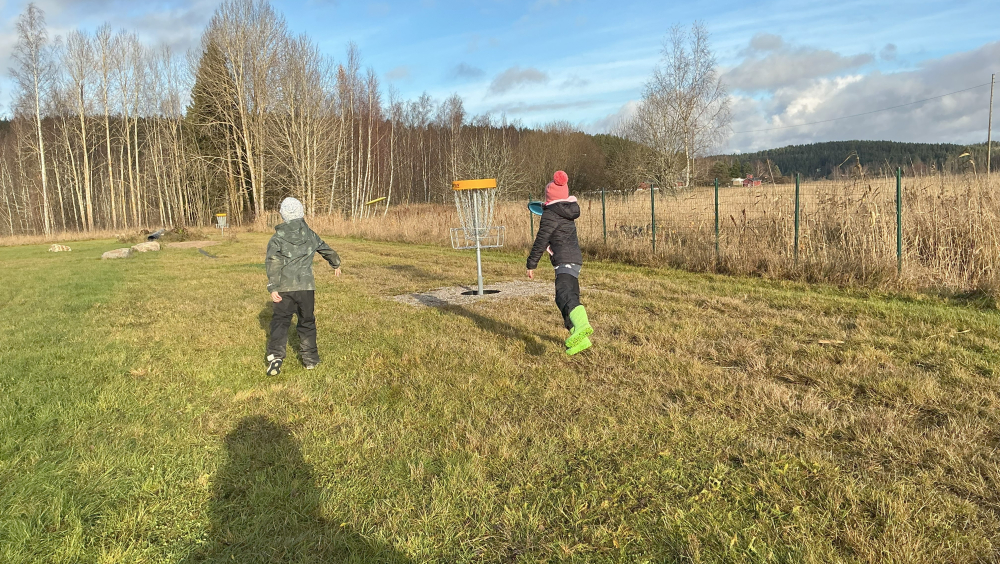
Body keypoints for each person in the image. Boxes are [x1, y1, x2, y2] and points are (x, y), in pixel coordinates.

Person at [265, 197, 341, 376]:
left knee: (281, 321)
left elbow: (273, 262)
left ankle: (275, 356)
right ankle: (310, 360)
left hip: (284, 288)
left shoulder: (277, 238)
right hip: (306, 287)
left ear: (283, 215)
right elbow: (325, 248)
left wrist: (273, 286)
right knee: (307, 321)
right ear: (301, 213)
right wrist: (336, 263)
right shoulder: (310, 235)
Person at [526, 170, 593, 355]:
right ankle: (580, 338)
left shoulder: (550, 215)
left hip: (565, 260)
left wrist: (531, 264)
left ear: (549, 197)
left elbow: (541, 240)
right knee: (564, 297)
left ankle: (582, 325)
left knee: (564, 294)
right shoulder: (566, 211)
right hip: (573, 260)